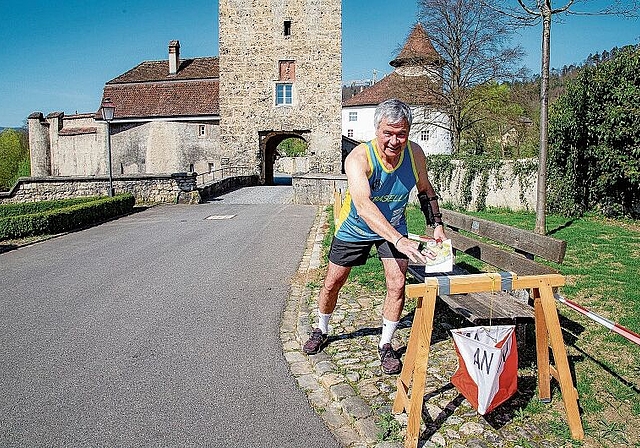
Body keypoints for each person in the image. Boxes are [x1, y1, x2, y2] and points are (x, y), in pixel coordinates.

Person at [303, 98, 446, 375]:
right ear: (376, 130)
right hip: (356, 228)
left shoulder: (415, 154)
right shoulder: (358, 158)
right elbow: (365, 206)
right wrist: (400, 240)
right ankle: (321, 327)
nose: (394, 140)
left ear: (408, 132)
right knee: (333, 283)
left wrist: (436, 224)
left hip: (394, 226)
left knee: (397, 283)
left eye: (401, 133)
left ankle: (386, 344)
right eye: (388, 133)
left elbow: (426, 190)